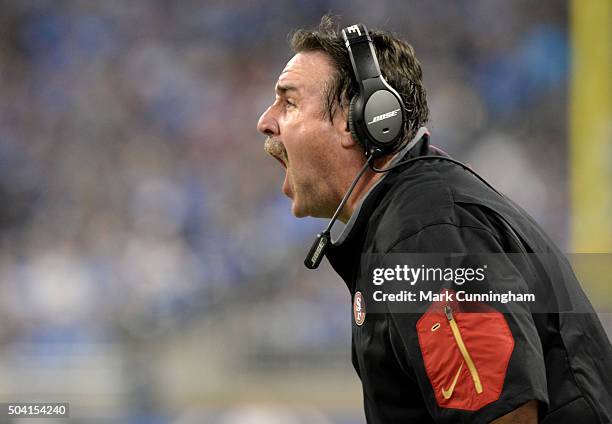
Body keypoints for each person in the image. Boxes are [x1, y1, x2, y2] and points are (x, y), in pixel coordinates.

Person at [257, 16, 612, 424]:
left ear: (363, 119)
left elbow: (503, 416)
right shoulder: (415, 217)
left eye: (290, 102)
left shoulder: (424, 232)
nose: (265, 120)